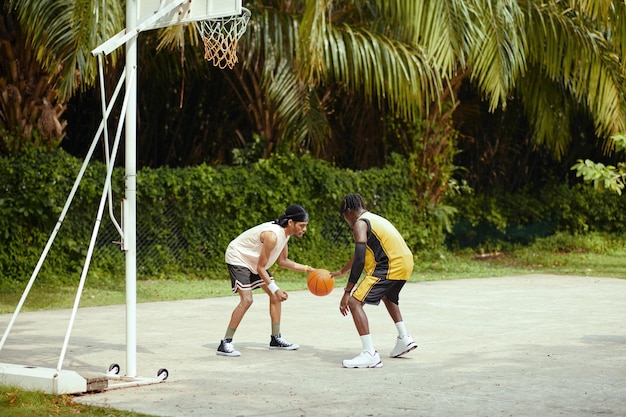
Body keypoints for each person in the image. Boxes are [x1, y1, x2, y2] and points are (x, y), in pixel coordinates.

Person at [331, 194, 417, 368]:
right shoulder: (374, 219)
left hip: (389, 266)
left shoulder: (359, 224)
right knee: (388, 297)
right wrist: (342, 270)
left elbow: (361, 260)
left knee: (355, 303)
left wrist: (347, 292)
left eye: (344, 217)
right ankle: (404, 338)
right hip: (405, 263)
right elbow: (360, 252)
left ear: (348, 212)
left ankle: (369, 354)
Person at [217, 204, 315, 357]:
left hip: (253, 261)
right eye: (302, 225)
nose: (304, 229)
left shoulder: (285, 234)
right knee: (247, 300)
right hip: (239, 257)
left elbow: (283, 261)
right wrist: (276, 288)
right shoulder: (272, 236)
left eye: (305, 226)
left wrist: (308, 269)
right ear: (291, 223)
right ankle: (226, 342)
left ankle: (276, 339)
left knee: (274, 297)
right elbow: (261, 268)